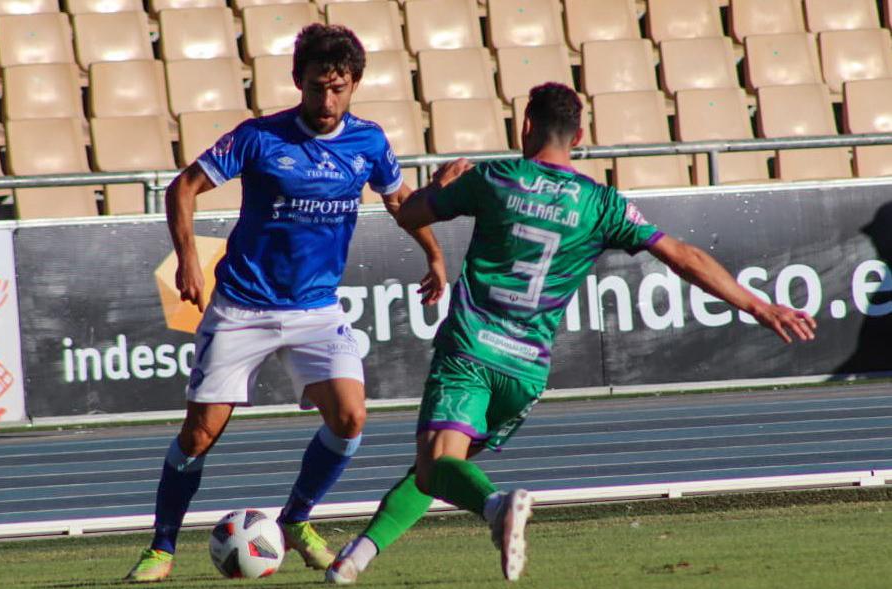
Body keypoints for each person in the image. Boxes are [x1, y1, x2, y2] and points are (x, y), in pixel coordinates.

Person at [325, 82, 818, 584]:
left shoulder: (495, 178)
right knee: (443, 468)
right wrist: (757, 305)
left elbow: (408, 213)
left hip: (471, 350)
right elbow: (682, 256)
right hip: (527, 372)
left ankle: (497, 508)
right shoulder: (601, 203)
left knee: (437, 468)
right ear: (579, 136)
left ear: (525, 126)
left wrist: (438, 183)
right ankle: (354, 559)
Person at [125, 24, 447, 583]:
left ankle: (296, 519)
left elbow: (400, 201)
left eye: (339, 88)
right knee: (200, 433)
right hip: (241, 306)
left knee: (350, 419)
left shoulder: (369, 142)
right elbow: (183, 187)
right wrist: (187, 260)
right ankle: (162, 546)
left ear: (354, 86)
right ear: (298, 81)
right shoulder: (259, 137)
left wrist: (435, 257)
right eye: (318, 87)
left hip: (316, 309)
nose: (328, 100)